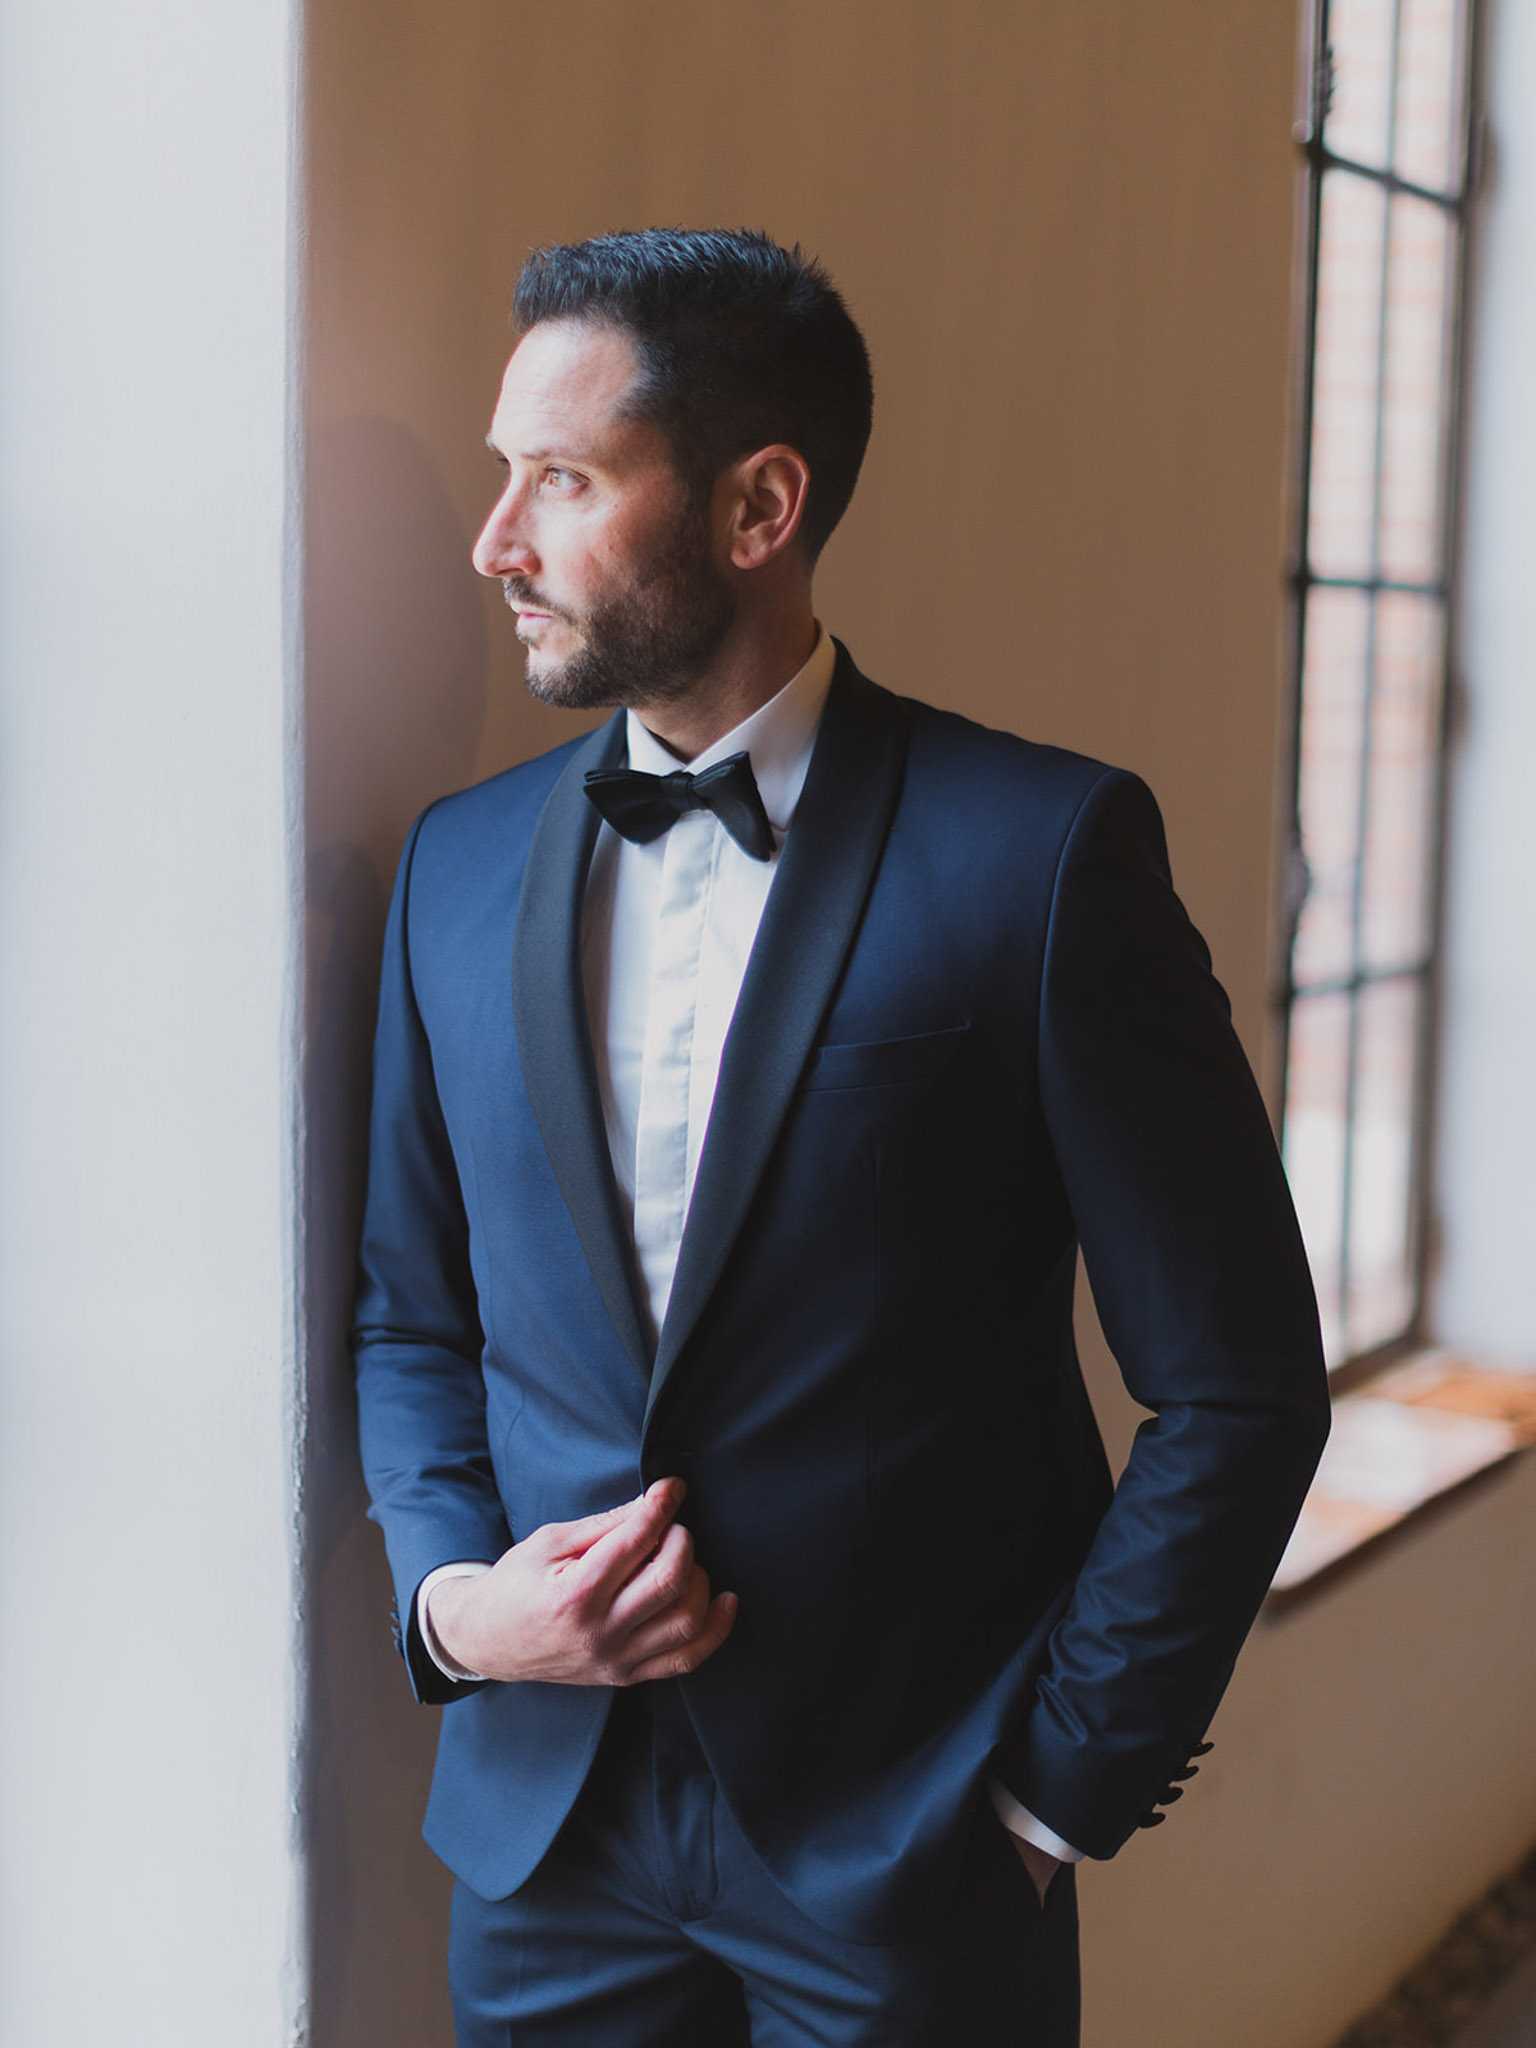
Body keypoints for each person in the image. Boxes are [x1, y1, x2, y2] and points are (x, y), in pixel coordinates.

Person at [350, 226, 1331, 2046]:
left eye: (560, 479)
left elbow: (1243, 1383)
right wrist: (462, 1613)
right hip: (545, 1846)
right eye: (505, 476)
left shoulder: (1038, 861)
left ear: (757, 507)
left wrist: (1050, 1794)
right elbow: (412, 1320)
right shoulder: (452, 873)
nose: (496, 541)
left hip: (914, 1852)